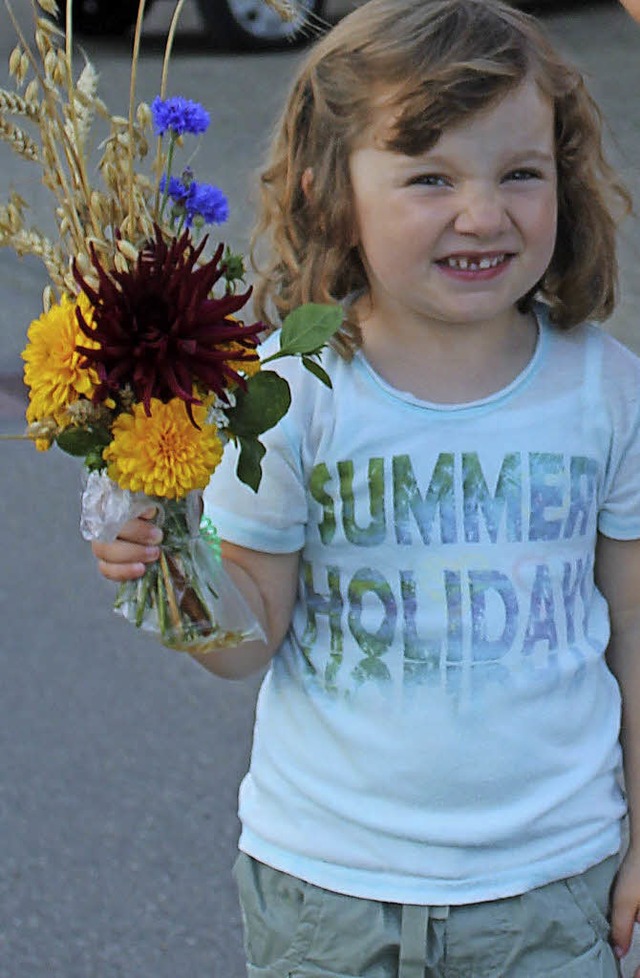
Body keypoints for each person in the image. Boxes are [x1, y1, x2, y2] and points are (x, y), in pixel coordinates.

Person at [91, 1, 640, 974]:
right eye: (428, 177)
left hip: (553, 882)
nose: (483, 213)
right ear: (331, 195)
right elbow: (246, 640)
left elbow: (633, 627)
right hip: (329, 890)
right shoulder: (287, 390)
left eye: (521, 172)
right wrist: (167, 571)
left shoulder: (604, 387)